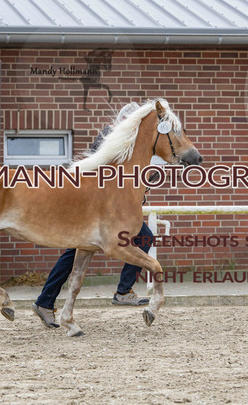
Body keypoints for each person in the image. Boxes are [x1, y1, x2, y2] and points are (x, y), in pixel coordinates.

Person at [32, 103, 155, 328]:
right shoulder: (111, 136)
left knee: (73, 254)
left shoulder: (112, 137)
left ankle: (45, 301)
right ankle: (123, 291)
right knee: (142, 237)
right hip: (98, 209)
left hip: (102, 208)